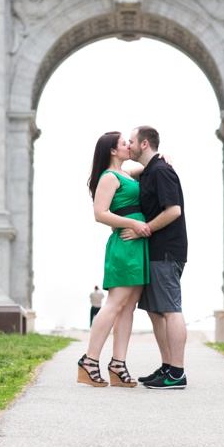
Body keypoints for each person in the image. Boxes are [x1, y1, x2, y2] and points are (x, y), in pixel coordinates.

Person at [77, 131, 151, 388]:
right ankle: (89, 361)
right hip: (125, 245)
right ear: (112, 150)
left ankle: (118, 364)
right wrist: (132, 223)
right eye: (124, 143)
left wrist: (163, 156)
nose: (128, 145)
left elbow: (150, 165)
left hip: (138, 243)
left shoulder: (127, 174)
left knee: (128, 307)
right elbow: (100, 213)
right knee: (115, 304)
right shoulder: (108, 177)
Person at [124, 125, 189, 390]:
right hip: (154, 251)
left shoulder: (162, 171)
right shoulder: (151, 170)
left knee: (170, 310)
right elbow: (126, 172)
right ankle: (167, 366)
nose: (127, 145)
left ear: (144, 144)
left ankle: (177, 373)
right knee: (154, 310)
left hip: (166, 250)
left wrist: (144, 229)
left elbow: (173, 210)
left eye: (131, 141)